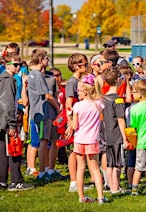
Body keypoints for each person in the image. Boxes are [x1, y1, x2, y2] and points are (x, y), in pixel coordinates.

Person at [0, 53, 33, 191]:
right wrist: (12, 124)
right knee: (14, 150)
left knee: (3, 151)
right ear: (7, 65)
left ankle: (1, 181)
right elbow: (7, 104)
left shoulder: (5, 79)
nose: (18, 66)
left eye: (19, 63)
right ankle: (16, 182)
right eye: (15, 64)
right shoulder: (7, 80)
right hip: (5, 121)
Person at [71, 75, 107, 204]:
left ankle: (81, 197)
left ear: (85, 92)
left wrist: (69, 118)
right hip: (92, 140)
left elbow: (75, 126)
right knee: (96, 169)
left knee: (80, 168)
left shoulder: (77, 106)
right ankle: (101, 197)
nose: (77, 93)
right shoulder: (98, 104)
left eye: (79, 91)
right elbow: (100, 99)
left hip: (80, 140)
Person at [25, 50, 60, 181]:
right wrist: (57, 107)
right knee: (43, 142)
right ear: (41, 60)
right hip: (42, 113)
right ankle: (42, 172)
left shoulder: (32, 74)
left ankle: (46, 169)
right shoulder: (37, 75)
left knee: (48, 141)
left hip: (45, 113)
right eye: (46, 59)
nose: (48, 61)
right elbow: (47, 95)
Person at [63, 53, 88, 192]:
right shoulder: (72, 82)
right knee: (74, 151)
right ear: (75, 66)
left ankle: (78, 181)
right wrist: (71, 125)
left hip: (80, 121)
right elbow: (68, 104)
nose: (86, 66)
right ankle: (73, 182)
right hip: (74, 122)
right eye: (83, 64)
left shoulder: (81, 80)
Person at [101, 67, 129, 194]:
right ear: (118, 80)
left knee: (110, 162)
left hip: (106, 134)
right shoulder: (117, 100)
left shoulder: (103, 98)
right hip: (116, 134)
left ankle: (111, 185)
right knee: (117, 163)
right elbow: (121, 119)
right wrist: (125, 138)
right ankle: (115, 187)